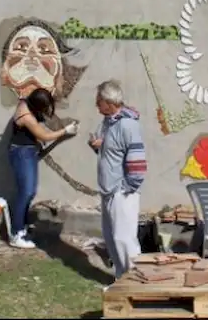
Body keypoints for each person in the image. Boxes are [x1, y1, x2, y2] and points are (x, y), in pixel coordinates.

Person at [88, 80, 146, 280]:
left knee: (124, 240)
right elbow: (112, 150)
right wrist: (97, 146)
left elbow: (137, 159)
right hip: (108, 190)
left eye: (99, 100)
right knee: (112, 239)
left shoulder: (127, 125)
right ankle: (122, 280)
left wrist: (128, 187)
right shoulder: (108, 122)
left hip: (122, 192)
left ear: (109, 101)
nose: (96, 104)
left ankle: (136, 282)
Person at [8, 87, 78, 249]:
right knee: (25, 192)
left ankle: (22, 227)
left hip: (28, 151)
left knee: (29, 192)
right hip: (21, 153)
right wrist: (65, 131)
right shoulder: (26, 116)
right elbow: (44, 135)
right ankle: (16, 233)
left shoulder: (27, 102)